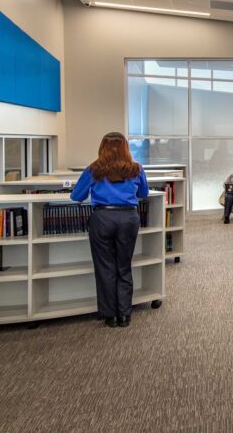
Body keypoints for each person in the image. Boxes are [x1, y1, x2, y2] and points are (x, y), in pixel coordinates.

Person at [71, 132, 149, 328]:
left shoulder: (94, 169)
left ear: (102, 148)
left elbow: (76, 196)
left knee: (105, 267)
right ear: (126, 147)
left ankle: (110, 316)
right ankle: (125, 315)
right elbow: (143, 193)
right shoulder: (136, 169)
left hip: (103, 218)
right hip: (128, 218)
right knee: (124, 266)